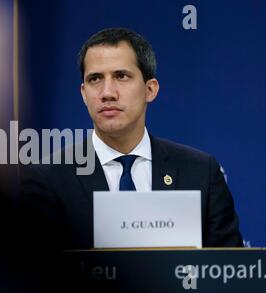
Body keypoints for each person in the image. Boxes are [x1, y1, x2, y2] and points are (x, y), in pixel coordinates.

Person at [20, 27, 243, 249]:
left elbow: (228, 274)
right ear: (83, 93)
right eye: (95, 78)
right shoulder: (48, 179)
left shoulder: (201, 172)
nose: (107, 92)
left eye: (121, 76)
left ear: (150, 89)